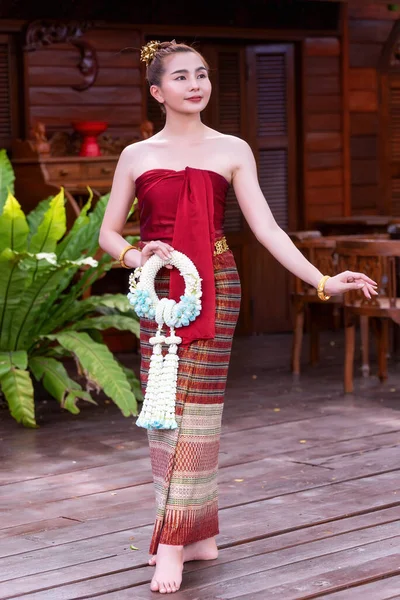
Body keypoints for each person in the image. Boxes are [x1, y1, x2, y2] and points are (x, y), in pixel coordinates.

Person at [99, 40, 378, 595]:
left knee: (195, 413)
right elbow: (109, 233)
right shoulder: (136, 154)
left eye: (201, 74)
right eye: (180, 77)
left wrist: (322, 280)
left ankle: (173, 543)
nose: (195, 84)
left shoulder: (234, 149)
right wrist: (139, 256)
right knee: (164, 412)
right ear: (158, 92)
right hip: (159, 293)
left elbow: (268, 230)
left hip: (215, 286)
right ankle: (196, 534)